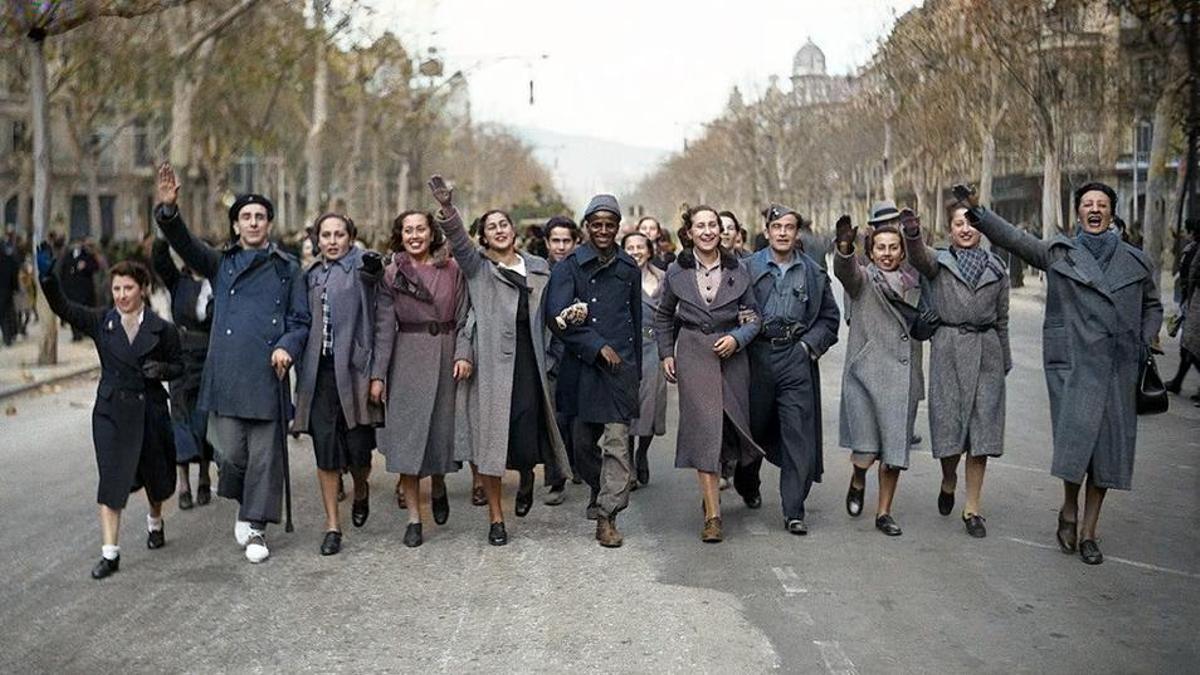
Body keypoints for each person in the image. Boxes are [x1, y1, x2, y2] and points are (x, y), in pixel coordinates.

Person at [956, 181, 1162, 564]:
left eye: (1102, 204)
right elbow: (1016, 239)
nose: (1095, 209)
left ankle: (1089, 532)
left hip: (1119, 367)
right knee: (1077, 451)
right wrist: (977, 210)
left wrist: (1145, 339)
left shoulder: (1136, 261)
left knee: (1107, 456)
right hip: (1074, 366)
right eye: (1088, 204)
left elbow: (1153, 306)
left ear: (1112, 213)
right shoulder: (1059, 253)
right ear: (1079, 213)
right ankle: (1069, 505)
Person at [154, 163, 310, 564]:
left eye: (260, 216)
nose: (253, 222)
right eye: (246, 217)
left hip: (267, 372)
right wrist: (169, 210)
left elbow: (300, 320)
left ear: (269, 224)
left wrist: (287, 347)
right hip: (225, 375)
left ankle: (256, 524)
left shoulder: (287, 268)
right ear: (236, 226)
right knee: (229, 455)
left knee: (263, 457)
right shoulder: (221, 264)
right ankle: (244, 501)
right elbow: (185, 245)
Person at [430, 175, 570, 545]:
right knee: (492, 445)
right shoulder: (478, 269)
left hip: (532, 362)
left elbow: (554, 313)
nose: (499, 231)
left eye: (504, 224)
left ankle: (526, 477)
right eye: (491, 227)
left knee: (526, 438)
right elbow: (458, 241)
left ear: (514, 231)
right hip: (491, 367)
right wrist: (447, 209)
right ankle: (496, 519)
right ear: (485, 237)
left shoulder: (539, 267)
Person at [37, 249, 182, 579]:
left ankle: (155, 520)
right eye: (116, 289)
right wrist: (48, 279)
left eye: (128, 288)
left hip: (150, 411)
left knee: (156, 478)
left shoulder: (162, 329)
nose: (121, 295)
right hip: (112, 413)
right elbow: (64, 308)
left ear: (142, 288)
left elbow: (178, 366)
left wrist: (162, 369)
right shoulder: (103, 322)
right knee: (112, 480)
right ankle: (110, 552)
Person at [655, 205, 762, 543]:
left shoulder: (739, 269)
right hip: (693, 356)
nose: (707, 231)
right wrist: (665, 354)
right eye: (699, 226)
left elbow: (755, 317)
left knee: (731, 428)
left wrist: (737, 338)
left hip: (731, 358)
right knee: (704, 430)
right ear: (688, 232)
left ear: (720, 230)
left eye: (712, 225)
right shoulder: (676, 271)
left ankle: (725, 481)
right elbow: (662, 316)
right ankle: (713, 515)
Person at [902, 204, 1011, 538]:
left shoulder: (998, 267)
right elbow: (918, 257)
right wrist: (912, 232)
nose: (966, 229)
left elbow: (1003, 318)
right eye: (959, 224)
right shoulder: (939, 262)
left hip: (987, 353)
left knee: (981, 435)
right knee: (949, 432)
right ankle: (949, 479)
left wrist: (1003, 359)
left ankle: (973, 509)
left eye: (972, 223)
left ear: (982, 229)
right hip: (948, 349)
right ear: (949, 229)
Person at [370, 210, 473, 547]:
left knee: (441, 432)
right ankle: (414, 518)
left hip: (445, 354)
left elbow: (463, 317)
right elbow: (384, 327)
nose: (415, 236)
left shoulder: (452, 269)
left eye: (421, 229)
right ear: (400, 235)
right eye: (408, 230)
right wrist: (378, 376)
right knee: (407, 438)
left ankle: (439, 482)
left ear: (432, 233)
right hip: (407, 358)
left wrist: (462, 353)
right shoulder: (390, 274)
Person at [546, 194, 642, 547]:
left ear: (618, 227)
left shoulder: (629, 268)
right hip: (582, 369)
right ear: (587, 226)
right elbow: (555, 318)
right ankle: (598, 486)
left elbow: (635, 320)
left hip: (620, 372)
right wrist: (594, 345)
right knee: (581, 444)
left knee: (618, 444)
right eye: (596, 224)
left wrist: (634, 373)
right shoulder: (568, 266)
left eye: (610, 225)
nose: (603, 231)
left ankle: (608, 515)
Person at [742, 205, 840, 535]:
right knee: (752, 427)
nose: (783, 232)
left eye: (789, 227)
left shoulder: (813, 273)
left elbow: (830, 319)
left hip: (795, 358)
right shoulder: (746, 268)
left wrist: (807, 347)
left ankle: (794, 510)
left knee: (798, 433)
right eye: (777, 226)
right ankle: (746, 480)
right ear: (766, 230)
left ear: (798, 233)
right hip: (756, 356)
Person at [292, 214, 382, 556]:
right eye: (325, 235)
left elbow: (376, 273)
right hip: (319, 375)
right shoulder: (310, 275)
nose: (331, 241)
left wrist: (377, 374)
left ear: (350, 237)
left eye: (338, 235)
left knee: (359, 450)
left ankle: (361, 490)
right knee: (326, 451)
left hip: (355, 371)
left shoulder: (362, 266)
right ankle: (332, 525)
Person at [833, 215, 922, 537]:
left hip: (902, 378)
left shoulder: (914, 282)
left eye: (893, 248)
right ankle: (858, 479)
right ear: (870, 252)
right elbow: (845, 272)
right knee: (867, 452)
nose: (886, 253)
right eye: (880, 247)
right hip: (866, 377)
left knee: (893, 454)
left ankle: (884, 512)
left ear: (902, 252)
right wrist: (844, 247)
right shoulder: (863, 280)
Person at [151, 238, 215, 510]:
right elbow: (160, 260)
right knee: (179, 418)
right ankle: (184, 483)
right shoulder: (178, 283)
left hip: (210, 358)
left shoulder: (220, 284)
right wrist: (164, 233)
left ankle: (203, 477)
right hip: (180, 356)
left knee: (203, 418)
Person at [542, 215, 583, 505]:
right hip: (548, 356)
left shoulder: (584, 270)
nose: (560, 246)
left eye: (566, 240)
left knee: (577, 420)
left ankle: (579, 464)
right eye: (555, 241)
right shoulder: (537, 273)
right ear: (547, 242)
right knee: (553, 419)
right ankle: (556, 479)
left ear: (576, 242)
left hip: (581, 354)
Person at [622, 231, 667, 487]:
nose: (636, 251)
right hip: (628, 349)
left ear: (649, 251)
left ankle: (642, 453)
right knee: (629, 407)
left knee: (651, 407)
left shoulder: (664, 278)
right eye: (630, 247)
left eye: (640, 247)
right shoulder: (618, 279)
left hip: (656, 348)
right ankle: (628, 463)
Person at [1167, 219, 1199, 400]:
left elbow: (1190, 276)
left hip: (1194, 303)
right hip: (1191, 301)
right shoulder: (1193, 248)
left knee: (1191, 346)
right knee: (1188, 346)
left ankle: (1178, 381)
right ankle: (1178, 381)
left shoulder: (1193, 249)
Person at [59, 238, 101, 341]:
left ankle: (85, 332)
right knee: (74, 313)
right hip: (72, 291)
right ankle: (76, 334)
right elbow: (62, 272)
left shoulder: (87, 255)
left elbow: (96, 266)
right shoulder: (67, 256)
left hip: (85, 291)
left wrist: (86, 266)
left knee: (85, 312)